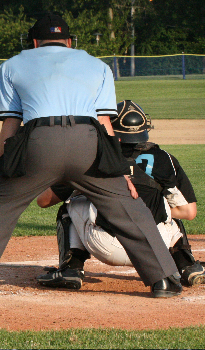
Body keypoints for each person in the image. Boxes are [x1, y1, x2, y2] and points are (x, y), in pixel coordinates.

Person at [0, 13, 182, 302]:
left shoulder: (11, 66)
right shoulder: (97, 65)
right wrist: (122, 173)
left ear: (34, 42)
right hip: (88, 142)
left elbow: (11, 125)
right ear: (70, 41)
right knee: (127, 205)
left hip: (40, 142)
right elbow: (105, 124)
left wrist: (1, 171)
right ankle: (165, 277)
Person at [36, 100, 203, 289]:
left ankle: (71, 269)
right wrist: (149, 208)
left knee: (69, 205)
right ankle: (186, 266)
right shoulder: (164, 158)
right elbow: (189, 212)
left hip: (106, 246)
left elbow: (43, 201)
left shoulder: (89, 156)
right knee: (167, 209)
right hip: (155, 246)